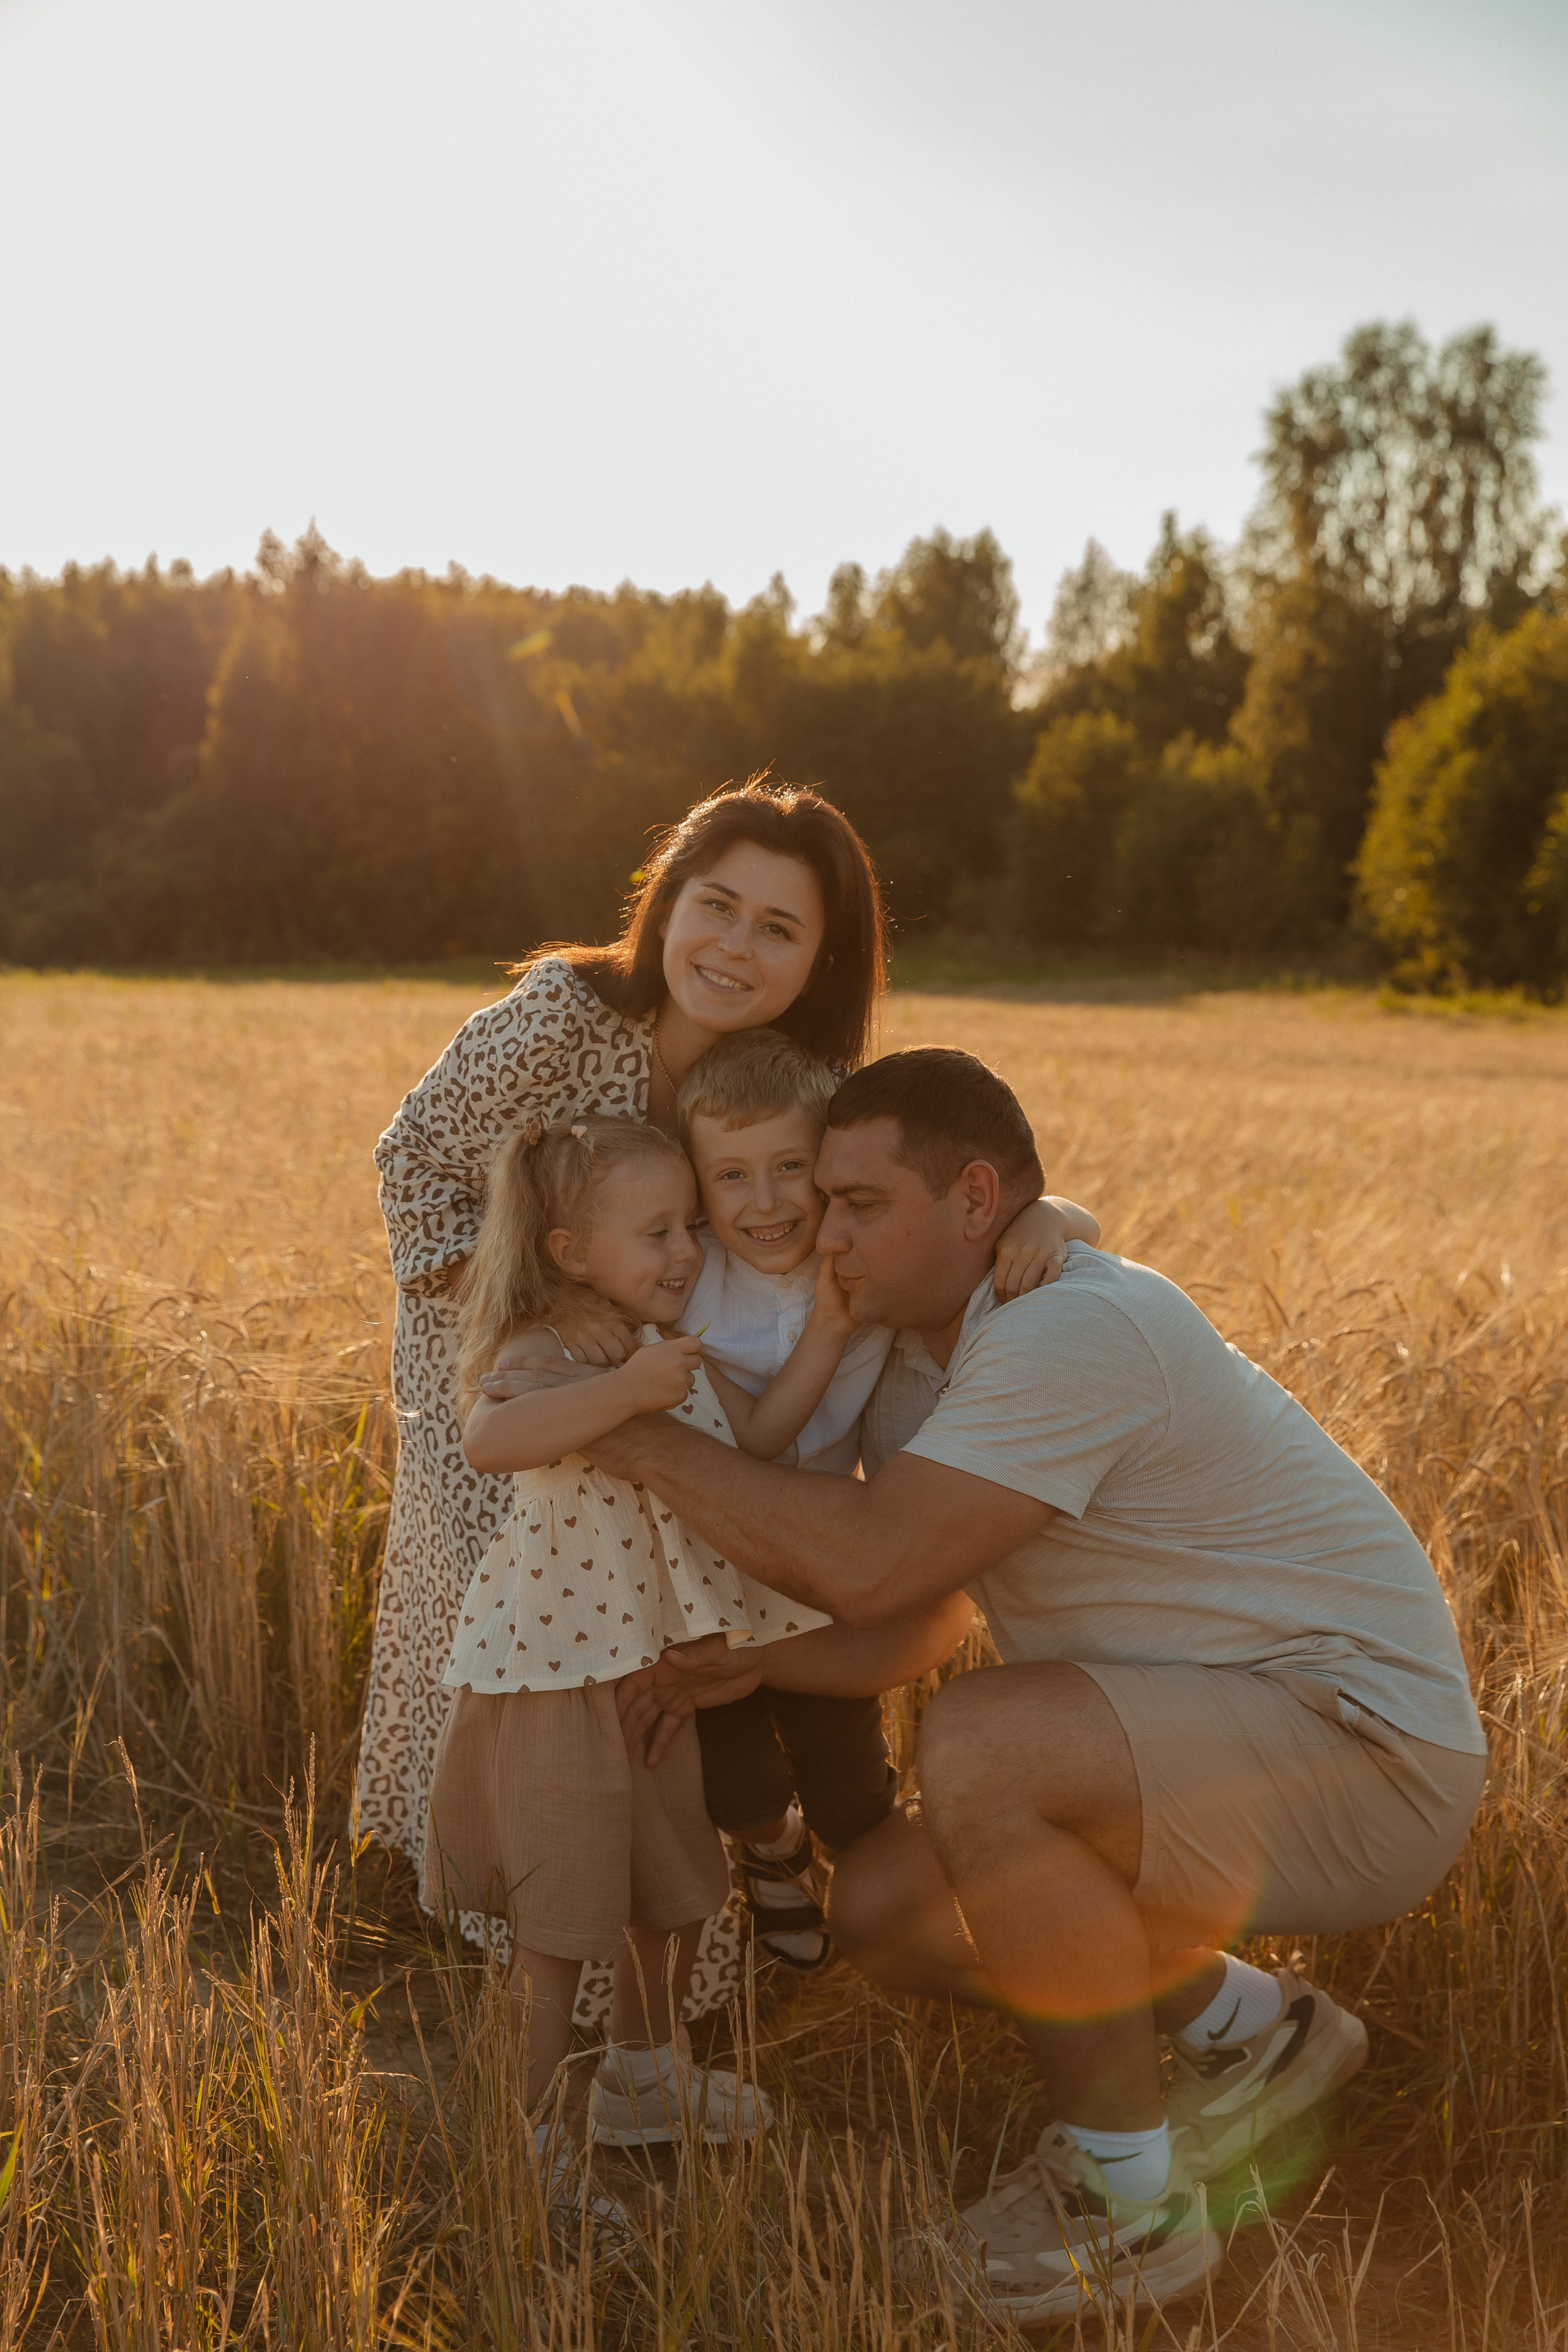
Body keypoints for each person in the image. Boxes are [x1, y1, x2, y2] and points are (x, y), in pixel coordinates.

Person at [495, 1047, 1487, 2318]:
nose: (818, 1230)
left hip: (1362, 1749)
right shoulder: (918, 1360)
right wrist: (741, 1664)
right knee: (889, 1908)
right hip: (1219, 1736)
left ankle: (1126, 2205)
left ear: (974, 1202)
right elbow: (919, 1619)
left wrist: (615, 1428)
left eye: (857, 1205)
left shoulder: (1069, 1329)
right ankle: (1250, 2029)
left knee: (987, 1743)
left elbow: (866, 1565)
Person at [357, 778, 1085, 2019]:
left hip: (684, 1409)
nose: (732, 948)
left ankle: (666, 2001)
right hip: (511, 1377)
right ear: (665, 903)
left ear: (820, 961)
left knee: (662, 1675)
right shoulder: (560, 1018)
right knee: (542, 1661)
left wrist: (1053, 1217)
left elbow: (940, 1192)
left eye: (777, 929)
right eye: (716, 906)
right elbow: (410, 1166)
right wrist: (537, 1306)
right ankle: (539, 1963)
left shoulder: (804, 1084)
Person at [673, 1026, 1098, 1967]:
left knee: (852, 1791)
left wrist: (1049, 1221)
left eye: (795, 1169)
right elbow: (752, 1440)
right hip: (707, 1571)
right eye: (731, 1178)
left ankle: (886, 1904)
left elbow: (1008, 1210)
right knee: (737, 1784)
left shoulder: (880, 1259)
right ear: (696, 1190)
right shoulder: (690, 1277)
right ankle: (771, 1853)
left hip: (825, 1575)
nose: (771, 1201)